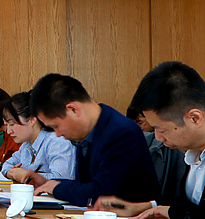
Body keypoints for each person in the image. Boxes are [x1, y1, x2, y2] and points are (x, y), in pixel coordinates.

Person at [94, 62, 205, 219]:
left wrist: (174, 212)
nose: (158, 138)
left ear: (194, 118)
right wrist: (146, 206)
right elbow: (190, 206)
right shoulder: (193, 152)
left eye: (161, 129)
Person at [26, 73, 159, 207]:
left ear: (73, 109)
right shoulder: (86, 132)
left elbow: (103, 194)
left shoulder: (121, 132)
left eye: (56, 126)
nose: (58, 134)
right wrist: (51, 184)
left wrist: (57, 188)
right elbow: (87, 185)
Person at [0, 91, 76, 183]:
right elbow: (6, 165)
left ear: (32, 120)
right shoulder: (27, 144)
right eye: (6, 125)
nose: (8, 131)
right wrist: (14, 173)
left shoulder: (57, 141)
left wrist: (26, 176)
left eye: (12, 124)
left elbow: (60, 179)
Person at [127, 106, 187, 203]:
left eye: (140, 122)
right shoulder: (134, 142)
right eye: (132, 123)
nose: (137, 127)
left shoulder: (172, 145)